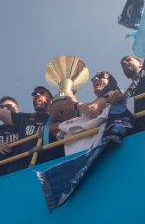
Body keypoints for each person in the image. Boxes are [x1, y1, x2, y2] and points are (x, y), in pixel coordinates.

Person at [37, 71, 133, 211]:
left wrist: (74, 104)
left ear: (110, 81)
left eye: (101, 77)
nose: (95, 80)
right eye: (94, 78)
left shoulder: (110, 93)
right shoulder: (100, 99)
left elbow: (91, 111)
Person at [0, 72, 64, 170]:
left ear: (51, 99)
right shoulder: (24, 118)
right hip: (21, 169)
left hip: (53, 166)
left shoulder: (60, 115)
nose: (36, 95)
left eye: (42, 92)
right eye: (34, 94)